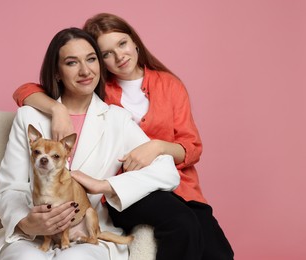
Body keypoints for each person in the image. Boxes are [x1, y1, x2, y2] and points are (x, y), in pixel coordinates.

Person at [13, 13, 234, 260]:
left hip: (179, 185)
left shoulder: (170, 85)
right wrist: (58, 109)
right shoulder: (97, 86)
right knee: (181, 225)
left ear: (135, 41)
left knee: (216, 249)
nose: (119, 56)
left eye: (122, 44)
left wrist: (157, 147)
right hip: (125, 188)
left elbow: (192, 148)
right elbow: (25, 90)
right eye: (106, 53)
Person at [0, 27, 179, 260]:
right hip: (32, 236)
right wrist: (27, 224)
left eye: (91, 59)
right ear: (57, 72)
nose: (85, 70)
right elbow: (10, 188)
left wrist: (105, 185)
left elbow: (168, 171)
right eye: (71, 63)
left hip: (84, 232)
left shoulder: (117, 119)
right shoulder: (29, 116)